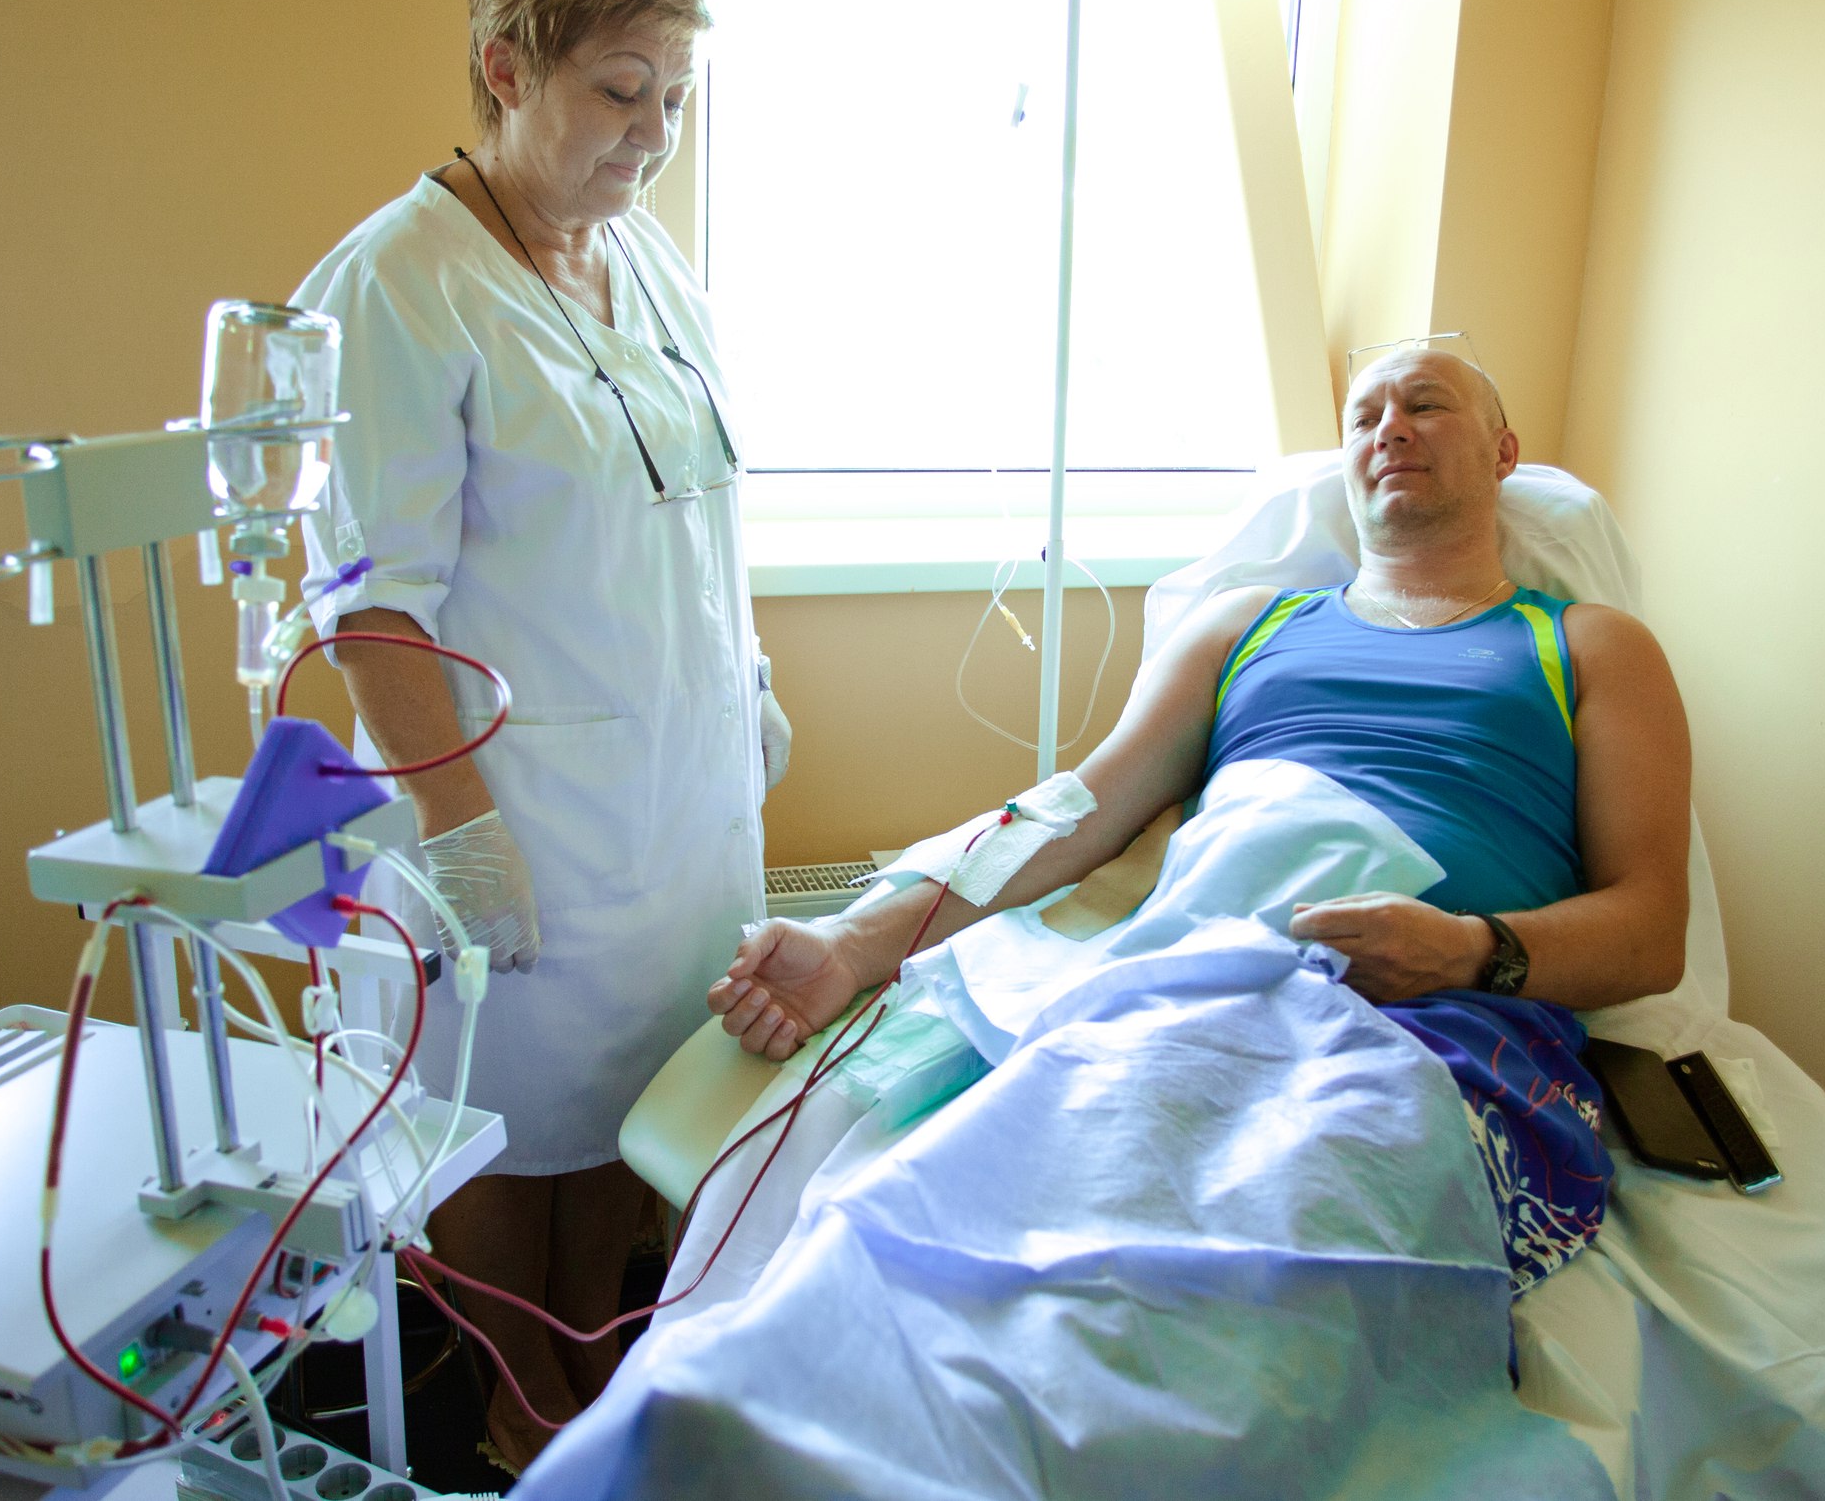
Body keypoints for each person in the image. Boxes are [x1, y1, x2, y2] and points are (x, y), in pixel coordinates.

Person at [711, 344, 1692, 1291]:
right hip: (1194, 985)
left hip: (1437, 1026)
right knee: (965, 1219)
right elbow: (1077, 810)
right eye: (1364, 417)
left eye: (1425, 404)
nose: (1390, 428)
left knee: (1271, 1240)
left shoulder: (1587, 644)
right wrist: (852, 943)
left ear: (1503, 452)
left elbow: (1651, 932)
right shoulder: (1246, 626)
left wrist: (1468, 950)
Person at [293, 0, 788, 1471]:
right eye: (621, 91)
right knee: (510, 1116)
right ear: (507, 67)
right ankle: (516, 1406)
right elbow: (371, 601)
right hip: (520, 809)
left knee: (629, 1102)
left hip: (679, 802)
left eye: (678, 98)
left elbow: (692, 511)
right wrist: (464, 835)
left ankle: (589, 1364)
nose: (654, 136)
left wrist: (750, 685)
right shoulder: (398, 284)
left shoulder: (648, 262)